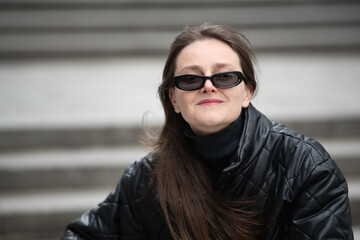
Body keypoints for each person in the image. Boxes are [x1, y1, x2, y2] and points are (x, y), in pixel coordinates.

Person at [61, 23, 353, 240]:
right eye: (190, 78)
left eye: (224, 76)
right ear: (174, 99)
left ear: (247, 92)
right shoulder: (146, 179)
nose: (208, 85)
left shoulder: (306, 167)